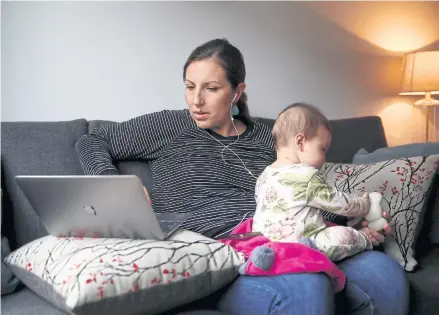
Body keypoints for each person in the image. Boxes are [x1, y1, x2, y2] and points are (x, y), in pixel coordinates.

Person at [75, 38, 409, 315]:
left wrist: (354, 225)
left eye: (211, 88)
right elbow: (91, 140)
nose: (196, 100)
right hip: (224, 253)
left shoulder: (268, 138)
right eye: (190, 87)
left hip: (290, 238)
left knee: (386, 275)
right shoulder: (171, 125)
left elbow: (307, 192)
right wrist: (118, 185)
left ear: (236, 92)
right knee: (308, 283)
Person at [253, 103, 375, 262]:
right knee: (343, 235)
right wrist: (363, 205)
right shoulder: (306, 175)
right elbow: (340, 203)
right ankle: (365, 238)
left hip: (267, 244)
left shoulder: (265, 175)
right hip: (302, 245)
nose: (324, 158)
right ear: (300, 142)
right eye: (322, 149)